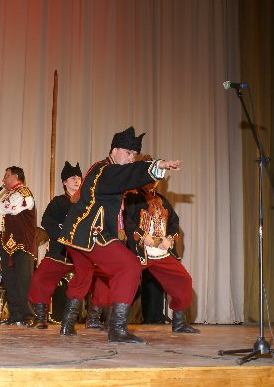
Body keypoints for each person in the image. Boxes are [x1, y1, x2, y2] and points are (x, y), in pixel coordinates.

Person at [58, 126, 182, 343]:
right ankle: (116, 329)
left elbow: (125, 178)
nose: (132, 158)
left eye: (135, 154)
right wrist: (157, 165)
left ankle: (67, 326)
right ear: (114, 150)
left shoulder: (104, 169)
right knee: (129, 266)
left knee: (83, 275)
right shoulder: (104, 170)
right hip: (90, 233)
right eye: (128, 152)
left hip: (75, 235)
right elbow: (126, 175)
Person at [28, 161, 109, 330]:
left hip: (86, 255)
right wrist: (64, 237)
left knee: (103, 279)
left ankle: (93, 318)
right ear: (65, 182)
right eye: (72, 177)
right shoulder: (58, 202)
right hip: (60, 253)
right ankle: (41, 318)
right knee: (39, 278)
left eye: (79, 177)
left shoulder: (90, 203)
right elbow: (47, 222)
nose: (77, 180)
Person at [123, 181, 199, 333]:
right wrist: (143, 236)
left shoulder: (162, 200)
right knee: (125, 282)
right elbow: (125, 220)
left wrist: (169, 238)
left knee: (182, 279)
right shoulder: (131, 197)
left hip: (160, 252)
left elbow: (173, 221)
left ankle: (179, 323)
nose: (153, 182)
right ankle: (116, 324)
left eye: (156, 178)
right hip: (139, 251)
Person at [0, 166, 37, 326]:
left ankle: (29, 315)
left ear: (15, 177)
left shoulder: (23, 193)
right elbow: (0, 221)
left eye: (6, 176)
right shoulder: (9, 197)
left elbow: (9, 208)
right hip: (7, 245)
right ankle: (15, 315)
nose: (3, 180)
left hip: (22, 244)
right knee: (10, 280)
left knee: (23, 280)